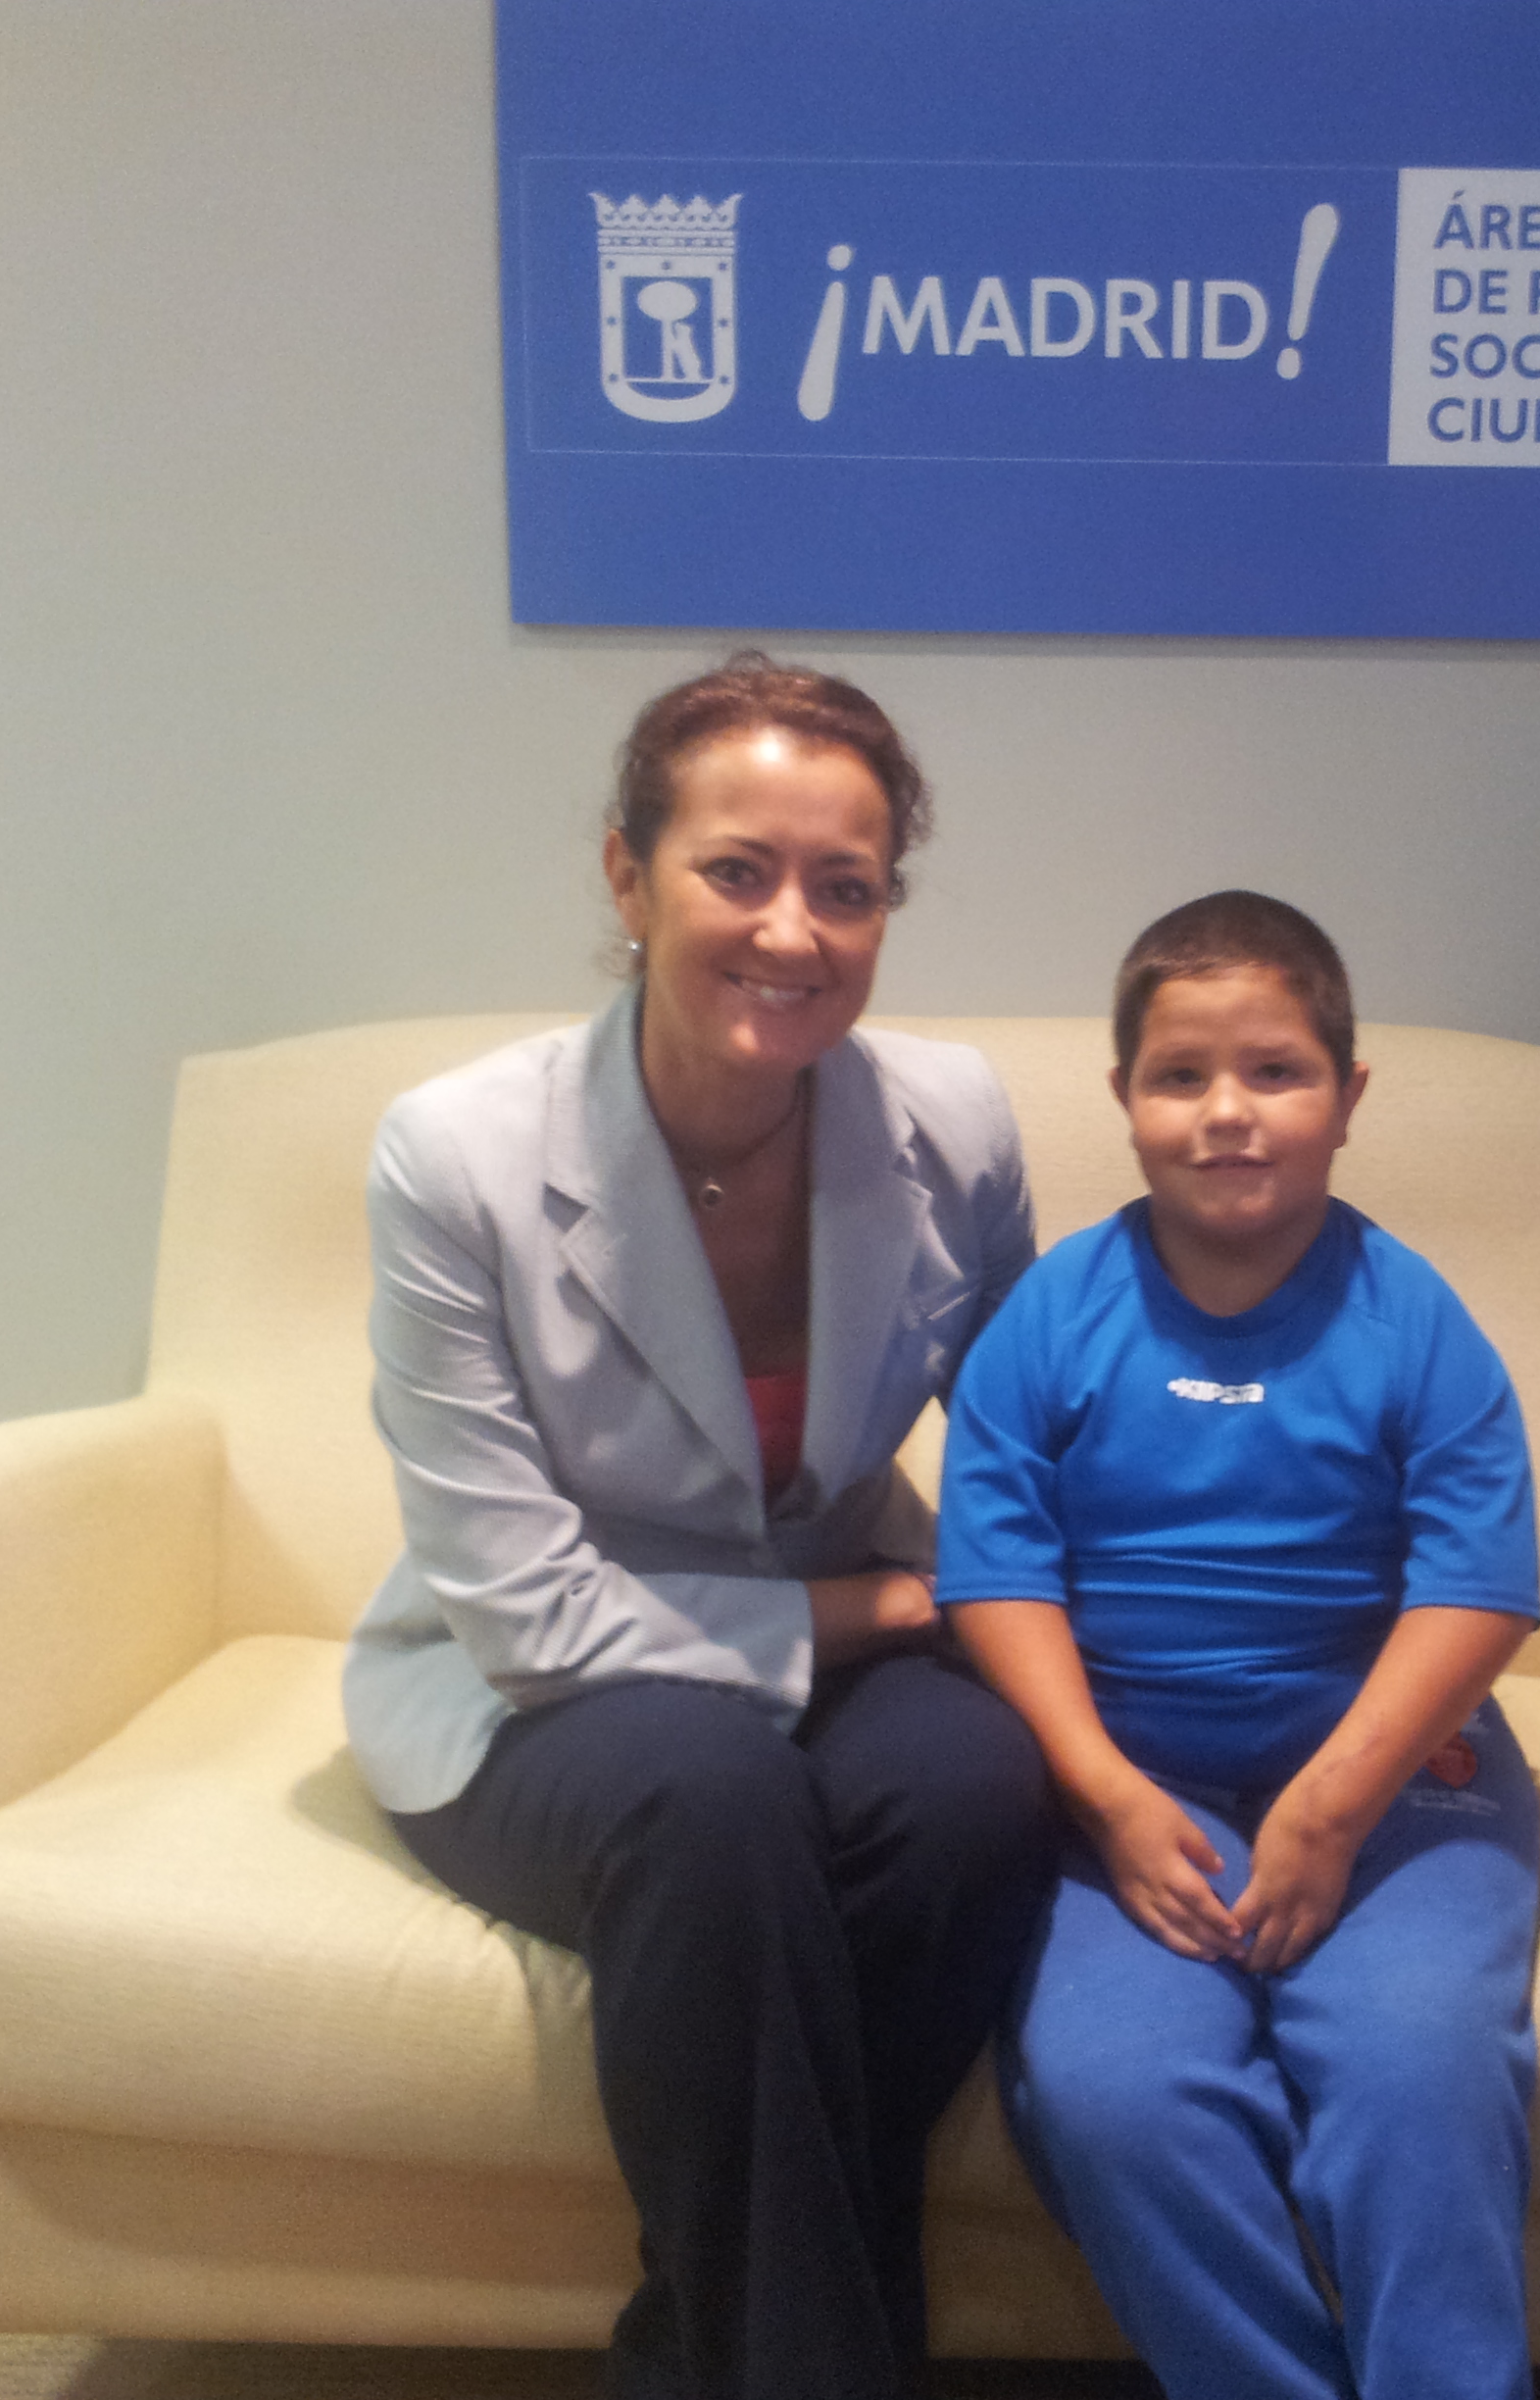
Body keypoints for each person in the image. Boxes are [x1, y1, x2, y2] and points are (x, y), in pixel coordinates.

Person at [341, 654, 1059, 2400]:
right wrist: (896, 1607)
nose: (792, 930)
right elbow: (529, 1619)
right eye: (737, 869)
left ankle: (697, 2348)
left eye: (846, 886)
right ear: (627, 874)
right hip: (533, 1684)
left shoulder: (953, 1120)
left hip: (829, 1620)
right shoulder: (455, 1156)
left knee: (978, 1786)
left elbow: (1033, 1449)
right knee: (708, 1791)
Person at [937, 891, 1540, 2400]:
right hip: (1130, 1789)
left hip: (1390, 1781)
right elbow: (996, 1573)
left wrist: (1331, 1809)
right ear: (1124, 1098)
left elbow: (1480, 1585)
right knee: (1113, 2095)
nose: (1227, 1112)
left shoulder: (1415, 1320)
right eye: (1181, 1075)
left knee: (1420, 2066)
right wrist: (1102, 1793)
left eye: (1275, 1071)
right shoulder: (1052, 1315)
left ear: (1348, 1095)